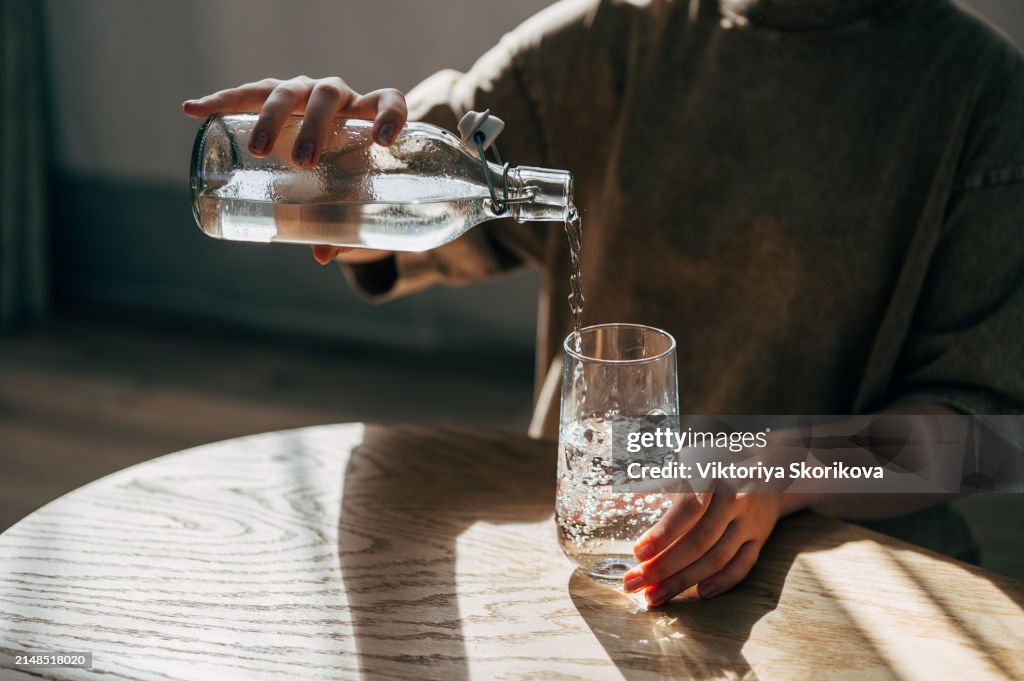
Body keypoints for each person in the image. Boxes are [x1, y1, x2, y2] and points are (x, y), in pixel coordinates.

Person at [183, 0, 1024, 607]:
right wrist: (326, 170)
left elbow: (987, 438)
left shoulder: (983, 96)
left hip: (857, 579)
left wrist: (777, 462)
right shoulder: (601, 40)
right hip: (592, 569)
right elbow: (402, 222)